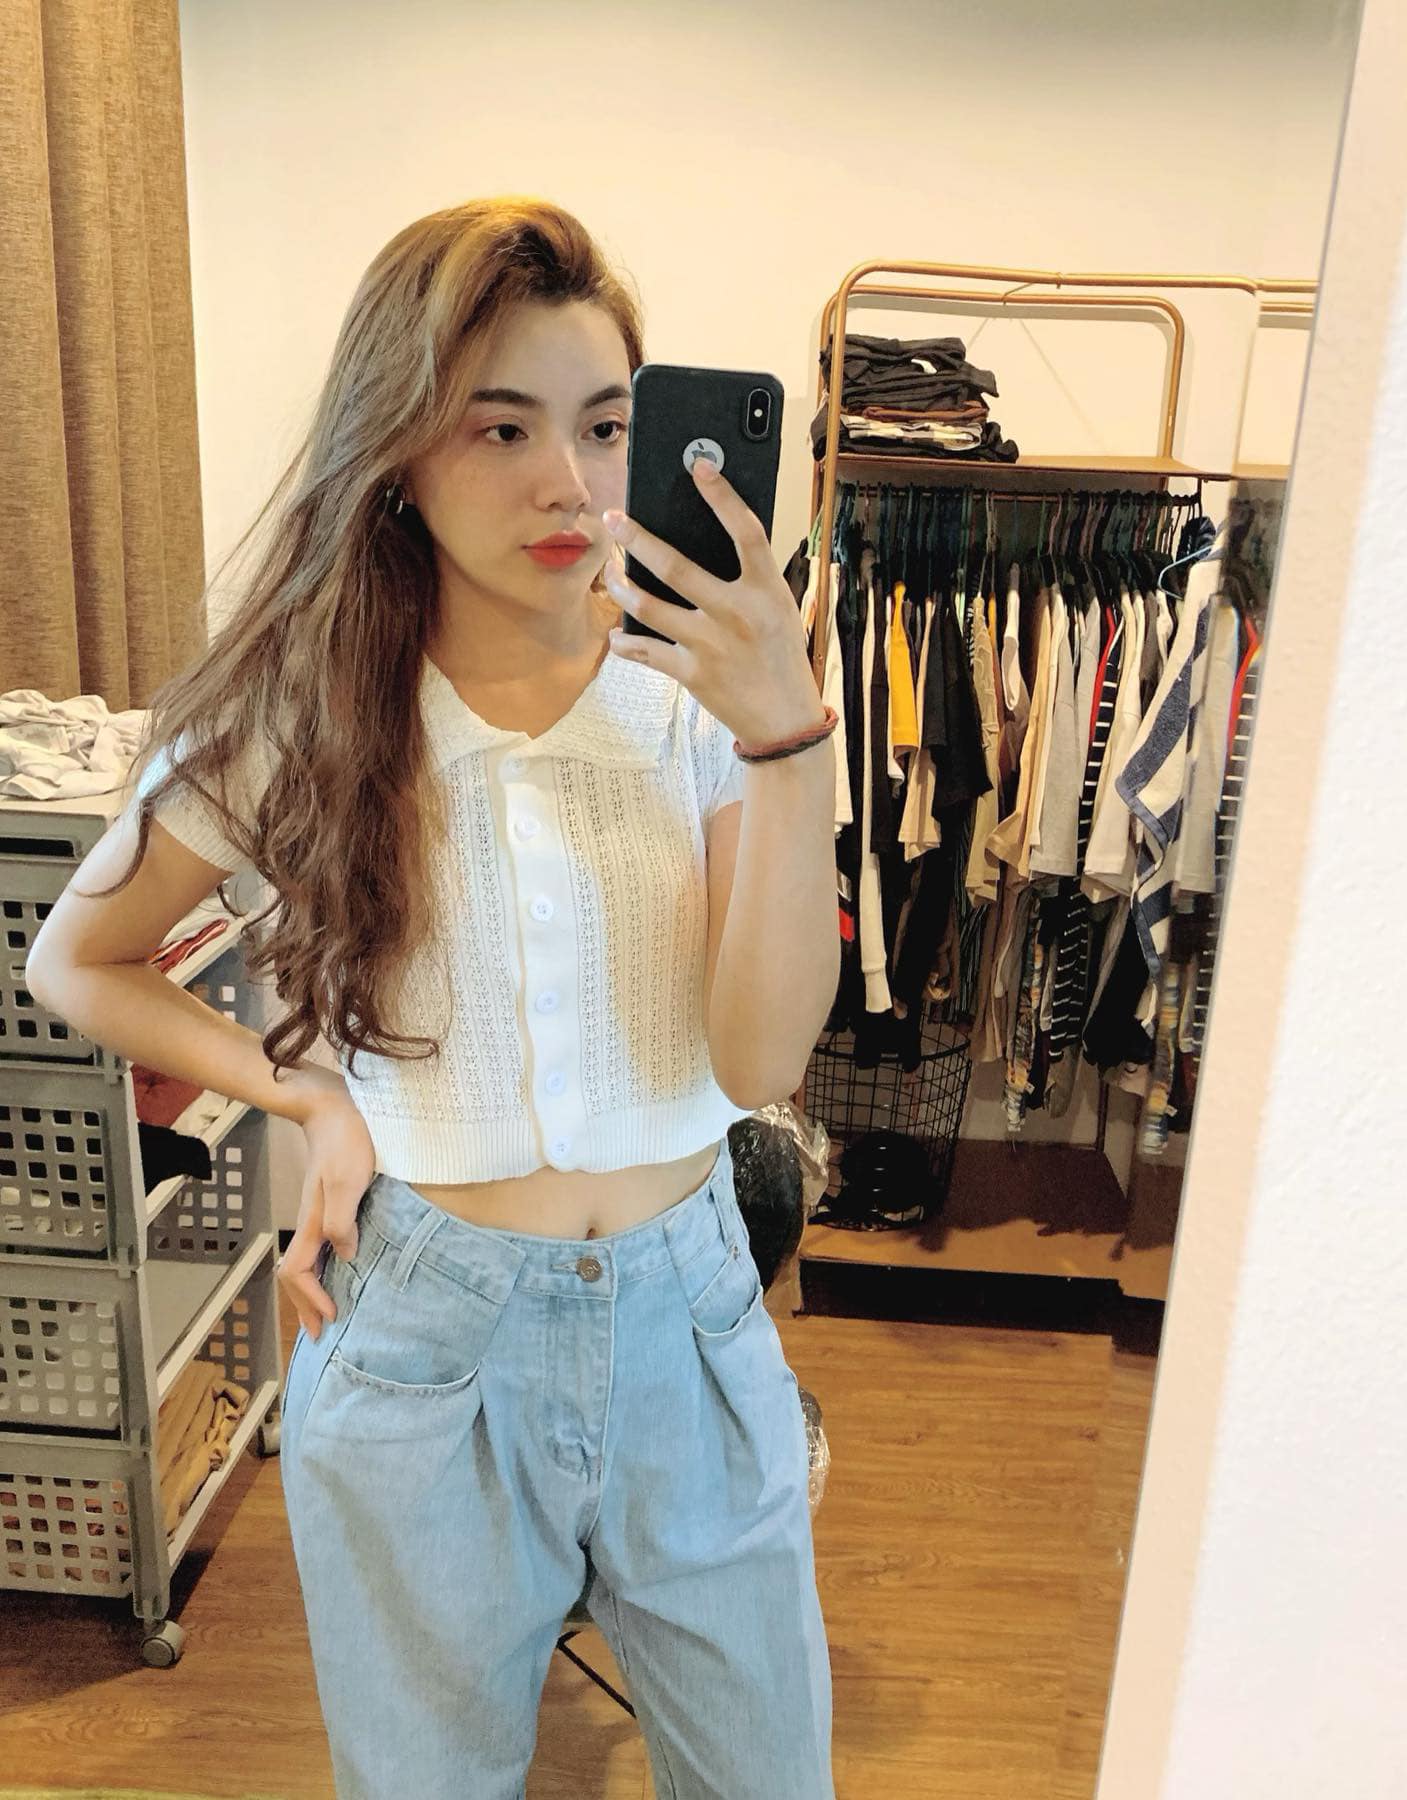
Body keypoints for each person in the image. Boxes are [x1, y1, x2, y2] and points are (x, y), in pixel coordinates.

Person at [25, 198, 840, 1798]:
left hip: (691, 1327)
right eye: (500, 426)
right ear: (397, 449)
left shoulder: (704, 701)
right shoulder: (308, 709)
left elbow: (755, 1059)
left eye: (604, 425)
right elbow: (77, 958)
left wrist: (784, 739)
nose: (568, 483)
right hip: (424, 1338)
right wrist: (310, 1096)